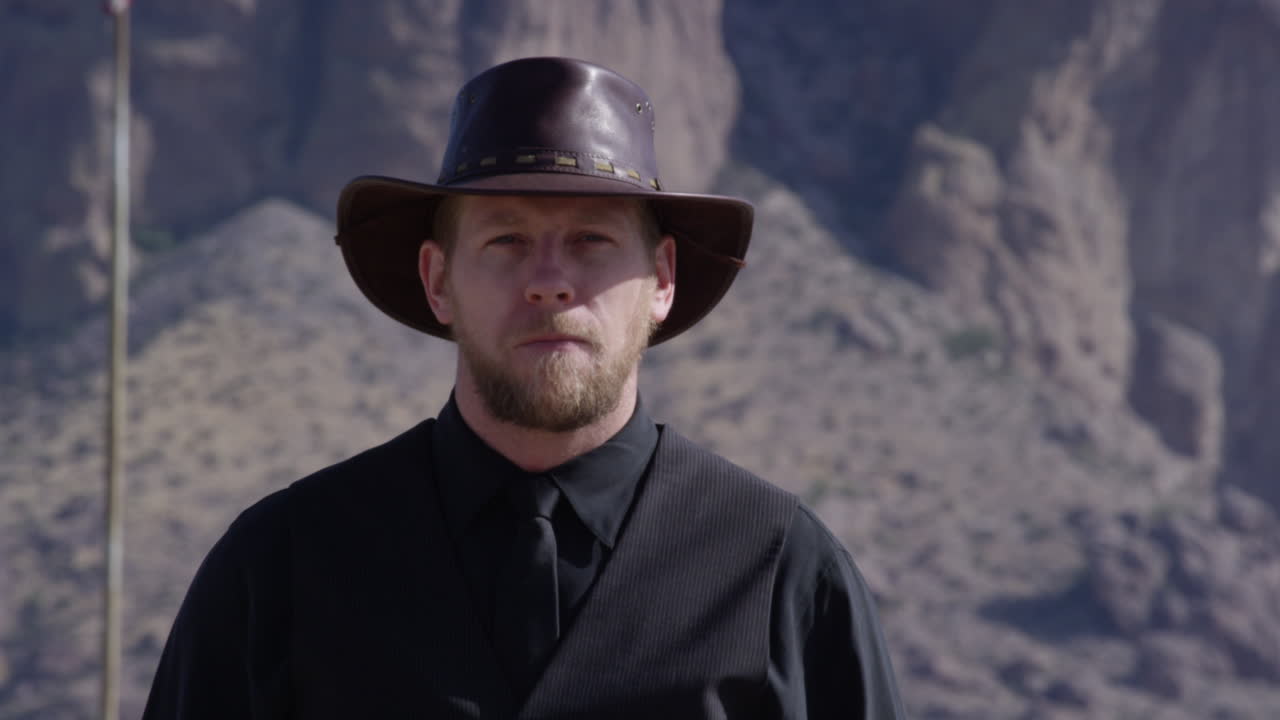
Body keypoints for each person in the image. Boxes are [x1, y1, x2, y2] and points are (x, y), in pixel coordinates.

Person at [142, 57, 906, 719]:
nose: (548, 283)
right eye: (506, 239)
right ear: (439, 281)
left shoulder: (779, 569)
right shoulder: (282, 563)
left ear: (663, 280)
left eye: (592, 241)